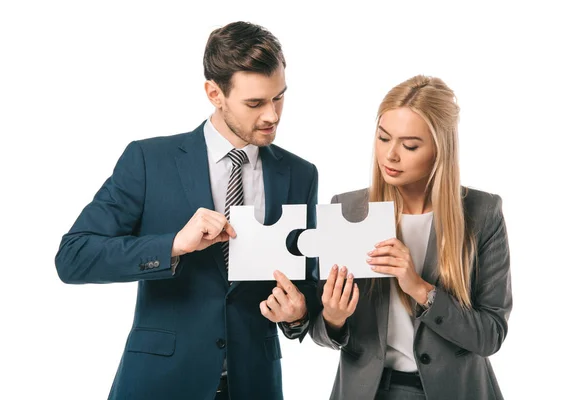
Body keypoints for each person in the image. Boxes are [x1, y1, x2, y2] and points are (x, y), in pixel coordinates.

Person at [55, 21, 320, 400]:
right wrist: (173, 245)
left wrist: (297, 313)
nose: (272, 116)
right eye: (255, 103)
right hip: (159, 383)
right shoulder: (149, 160)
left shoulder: (299, 174)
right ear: (215, 93)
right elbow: (73, 257)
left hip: (254, 385)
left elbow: (306, 281)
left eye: (279, 97)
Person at [310, 75, 512, 399]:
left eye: (409, 145)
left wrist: (420, 289)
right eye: (383, 138)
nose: (390, 155)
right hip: (369, 391)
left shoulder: (482, 213)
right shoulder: (346, 209)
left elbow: (491, 336)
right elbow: (323, 333)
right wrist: (333, 318)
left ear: (439, 150)